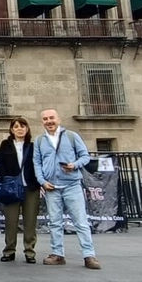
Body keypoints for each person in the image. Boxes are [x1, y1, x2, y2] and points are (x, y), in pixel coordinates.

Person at [33, 109, 101, 270]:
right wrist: (42, 181)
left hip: (72, 185)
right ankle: (58, 254)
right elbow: (37, 162)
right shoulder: (39, 140)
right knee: (55, 222)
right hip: (51, 187)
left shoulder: (71, 136)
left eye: (51, 118)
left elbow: (85, 156)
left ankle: (89, 255)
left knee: (81, 222)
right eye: (45, 119)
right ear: (42, 122)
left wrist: (74, 165)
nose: (49, 121)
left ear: (59, 119)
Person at [0, 116, 40, 263]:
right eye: (16, 126)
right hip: (11, 187)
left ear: (27, 129)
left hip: (31, 187)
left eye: (22, 126)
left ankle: (30, 251)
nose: (19, 129)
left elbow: (38, 164)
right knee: (11, 220)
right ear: (11, 130)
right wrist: (5, 179)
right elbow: (0, 163)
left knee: (30, 220)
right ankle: (9, 250)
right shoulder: (5, 144)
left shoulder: (33, 146)